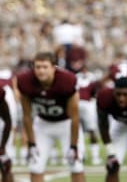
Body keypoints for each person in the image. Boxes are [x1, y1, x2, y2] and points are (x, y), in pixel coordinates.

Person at [16, 51, 86, 182]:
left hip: (66, 124)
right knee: (36, 166)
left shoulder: (67, 81)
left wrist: (74, 146)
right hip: (43, 124)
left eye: (45, 67)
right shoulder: (25, 81)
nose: (41, 71)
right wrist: (31, 143)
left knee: (76, 165)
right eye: (38, 67)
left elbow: (75, 117)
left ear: (54, 68)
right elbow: (27, 115)